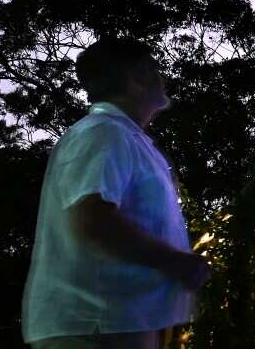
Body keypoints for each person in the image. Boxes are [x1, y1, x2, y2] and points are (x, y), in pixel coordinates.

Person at [22, 38, 212, 348]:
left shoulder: (122, 137)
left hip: (117, 324)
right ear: (134, 80)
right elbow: (93, 219)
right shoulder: (104, 132)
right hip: (98, 326)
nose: (162, 78)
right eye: (153, 69)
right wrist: (178, 262)